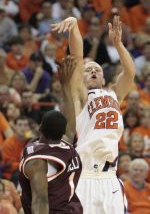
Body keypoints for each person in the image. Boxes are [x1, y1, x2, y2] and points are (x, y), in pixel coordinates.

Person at [51, 15, 136, 214]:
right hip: (85, 175)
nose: (93, 71)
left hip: (110, 178)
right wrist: (74, 28)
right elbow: (78, 57)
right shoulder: (80, 97)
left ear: (104, 76)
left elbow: (130, 73)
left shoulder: (114, 94)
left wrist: (118, 43)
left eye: (97, 69)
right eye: (88, 70)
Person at [19, 56, 83, 214]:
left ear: (40, 128)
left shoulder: (38, 162)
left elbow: (40, 200)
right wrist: (65, 85)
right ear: (62, 133)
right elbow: (70, 126)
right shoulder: (66, 145)